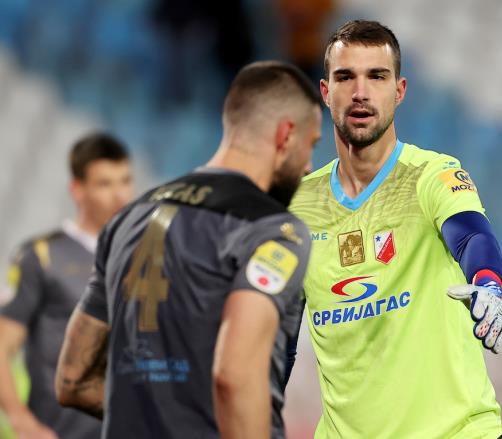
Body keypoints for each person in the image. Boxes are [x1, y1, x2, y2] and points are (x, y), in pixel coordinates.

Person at [54, 61, 321, 439]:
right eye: (311, 146)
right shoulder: (271, 230)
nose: (309, 166)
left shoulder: (129, 217)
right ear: (285, 135)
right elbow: (234, 376)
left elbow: (73, 380)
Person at [289, 20, 502, 438]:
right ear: (325, 91)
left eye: (377, 76)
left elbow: (472, 236)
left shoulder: (432, 175)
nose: (360, 92)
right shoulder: (297, 207)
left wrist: (488, 285)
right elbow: (275, 343)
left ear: (399, 90)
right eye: (345, 77)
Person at [0, 133, 133, 439]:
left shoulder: (146, 260)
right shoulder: (42, 256)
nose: (120, 195)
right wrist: (21, 421)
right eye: (105, 184)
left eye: (125, 181)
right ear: (77, 190)